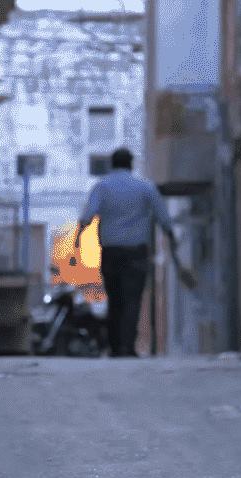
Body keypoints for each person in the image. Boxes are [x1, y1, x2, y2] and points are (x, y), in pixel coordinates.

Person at [74, 147, 190, 357]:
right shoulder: (145, 187)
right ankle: (128, 346)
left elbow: (87, 217)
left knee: (115, 299)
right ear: (131, 164)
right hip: (136, 253)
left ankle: (115, 347)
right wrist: (172, 243)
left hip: (110, 252)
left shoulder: (102, 187)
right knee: (132, 299)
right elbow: (164, 218)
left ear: (112, 164)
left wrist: (76, 243)